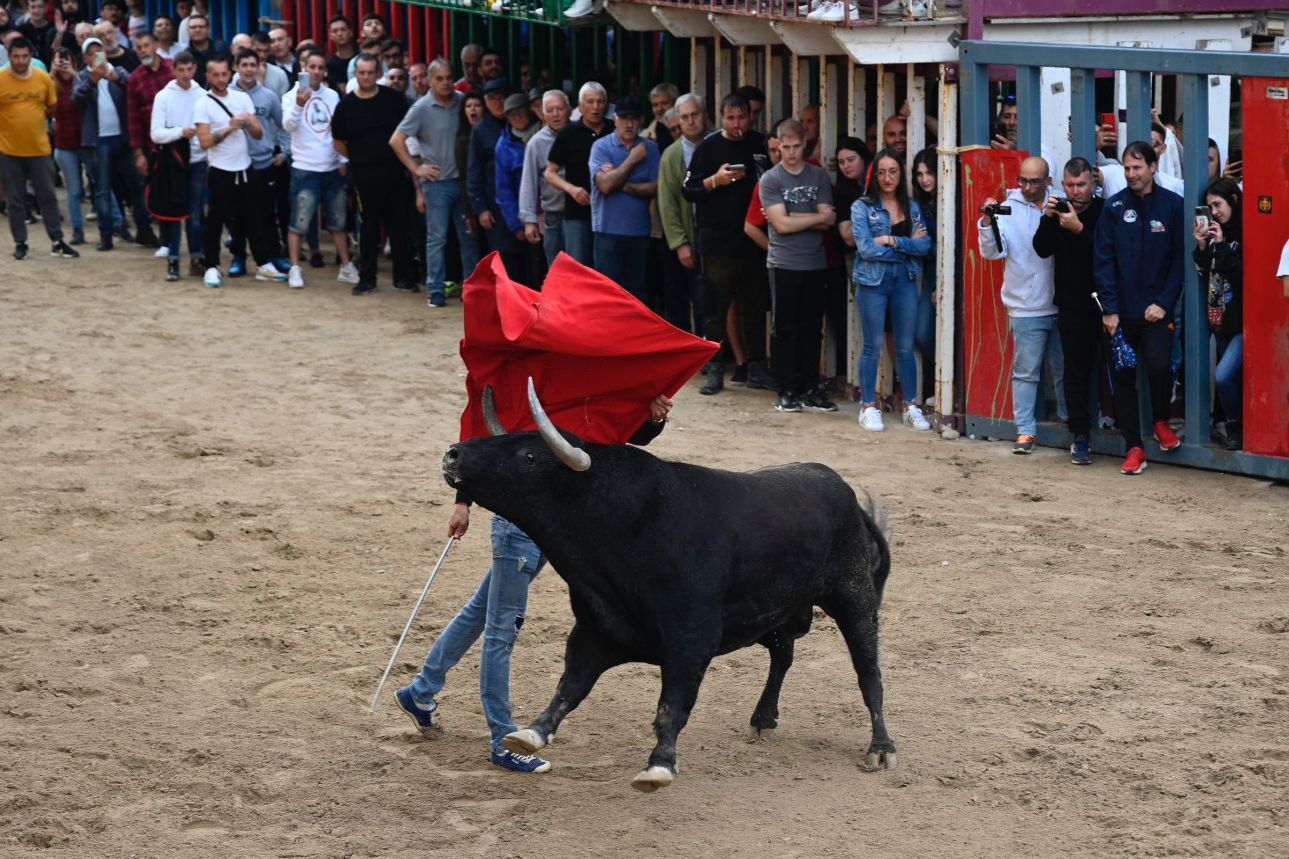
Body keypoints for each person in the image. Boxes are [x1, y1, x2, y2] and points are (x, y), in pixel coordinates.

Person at [395, 392, 675, 775]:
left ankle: (420, 692)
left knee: (483, 611)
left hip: (561, 522)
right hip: (520, 524)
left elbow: (623, 434)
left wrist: (654, 417)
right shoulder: (539, 375)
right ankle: (501, 738)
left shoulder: (595, 376)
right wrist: (463, 500)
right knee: (501, 629)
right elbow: (497, 443)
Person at [1093, 140, 1186, 475]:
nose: (1131, 174)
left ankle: (1161, 420)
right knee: (1122, 380)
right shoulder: (1114, 207)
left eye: (1137, 167)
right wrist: (1110, 309)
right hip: (1121, 313)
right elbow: (1103, 261)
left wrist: (1164, 302)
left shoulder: (1174, 205)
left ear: (1153, 167)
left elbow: (1179, 260)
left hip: (1157, 311)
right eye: (1127, 168)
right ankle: (1134, 447)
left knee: (1161, 365)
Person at [682, 92, 773, 396]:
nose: (737, 124)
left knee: (755, 306)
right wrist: (714, 181)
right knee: (715, 309)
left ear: (751, 117)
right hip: (718, 242)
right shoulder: (708, 147)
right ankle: (715, 367)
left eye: (742, 117)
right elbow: (689, 189)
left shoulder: (760, 143)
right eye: (730, 118)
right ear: (721, 118)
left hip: (754, 239)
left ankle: (757, 367)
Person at [979, 156, 1062, 454]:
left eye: (1034, 181)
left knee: (1065, 370)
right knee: (1027, 373)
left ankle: (1069, 427)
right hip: (1026, 304)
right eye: (1022, 180)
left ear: (1048, 181)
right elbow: (991, 253)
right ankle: (1025, 430)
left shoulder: (1060, 202)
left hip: (1060, 300)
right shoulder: (1008, 207)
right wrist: (988, 221)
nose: (1027, 187)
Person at [757, 119, 836, 414]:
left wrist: (797, 219)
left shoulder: (818, 175)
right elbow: (782, 224)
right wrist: (814, 218)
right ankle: (785, 389)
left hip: (814, 262)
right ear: (777, 145)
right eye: (784, 147)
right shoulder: (770, 179)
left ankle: (810, 387)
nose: (790, 153)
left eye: (795, 146)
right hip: (783, 262)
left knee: (812, 328)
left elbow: (828, 219)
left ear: (804, 144)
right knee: (783, 328)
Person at [851, 149, 932, 432]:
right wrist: (905, 246)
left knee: (905, 346)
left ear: (901, 174)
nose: (888, 178)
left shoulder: (910, 206)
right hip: (873, 280)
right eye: (882, 172)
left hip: (905, 280)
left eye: (894, 171)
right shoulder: (862, 206)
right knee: (872, 345)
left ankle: (911, 405)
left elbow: (925, 246)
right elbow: (866, 249)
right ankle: (868, 406)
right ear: (875, 174)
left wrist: (890, 240)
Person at [1032, 157, 1105, 465]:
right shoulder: (1058, 213)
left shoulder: (1105, 211)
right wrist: (1049, 218)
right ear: (1062, 185)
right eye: (1071, 185)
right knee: (1074, 373)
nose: (1076, 191)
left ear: (1093, 184)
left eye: (1082, 185)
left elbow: (1104, 254)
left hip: (1107, 304)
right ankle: (1080, 436)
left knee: (1115, 371)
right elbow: (1041, 248)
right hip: (1072, 305)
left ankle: (1124, 431)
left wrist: (1077, 229)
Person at [193, 55, 286, 287]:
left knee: (255, 217)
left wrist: (248, 123)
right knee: (216, 220)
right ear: (208, 76)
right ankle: (212, 266)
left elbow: (258, 134)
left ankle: (263, 264)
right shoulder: (202, 103)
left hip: (245, 167)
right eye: (216, 74)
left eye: (224, 74)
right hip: (220, 170)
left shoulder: (242, 97)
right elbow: (204, 142)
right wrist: (228, 128)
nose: (221, 79)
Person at [391, 57, 475, 307]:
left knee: (468, 238)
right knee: (437, 238)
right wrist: (417, 168)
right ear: (429, 81)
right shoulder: (421, 107)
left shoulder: (461, 102)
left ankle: (472, 288)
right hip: (437, 183)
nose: (446, 82)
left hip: (463, 182)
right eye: (440, 78)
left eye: (449, 77)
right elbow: (396, 140)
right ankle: (435, 289)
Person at [332, 52, 417, 295]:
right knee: (368, 229)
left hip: (395, 175)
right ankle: (367, 279)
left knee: (399, 226)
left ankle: (404, 277)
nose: (367, 77)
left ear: (378, 73)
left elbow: (407, 132)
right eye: (362, 73)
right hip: (364, 177)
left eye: (371, 72)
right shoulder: (345, 105)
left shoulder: (394, 99)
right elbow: (338, 142)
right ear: (355, 74)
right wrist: (359, 158)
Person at [281, 49, 357, 289]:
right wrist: (298, 105)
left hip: (332, 167)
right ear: (303, 67)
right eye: (311, 67)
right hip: (304, 167)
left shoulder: (332, 95)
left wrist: (343, 160)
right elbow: (288, 126)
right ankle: (295, 268)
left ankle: (346, 266)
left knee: (338, 221)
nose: (316, 72)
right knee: (299, 222)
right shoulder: (290, 95)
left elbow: (339, 129)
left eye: (320, 67)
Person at [74, 36, 157, 250]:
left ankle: (144, 230)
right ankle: (106, 235)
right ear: (85, 57)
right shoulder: (83, 76)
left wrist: (115, 79)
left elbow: (134, 87)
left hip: (123, 139)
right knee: (102, 190)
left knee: (137, 185)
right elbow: (76, 98)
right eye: (91, 53)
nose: (96, 56)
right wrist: (92, 80)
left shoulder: (117, 71)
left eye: (99, 51)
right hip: (98, 141)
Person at [0, 37, 77, 259]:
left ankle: (57, 240)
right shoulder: (1, 79)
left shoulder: (43, 79)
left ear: (31, 55)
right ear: (9, 56)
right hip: (8, 150)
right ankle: (21, 242)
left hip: (40, 149)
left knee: (48, 197)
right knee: (15, 200)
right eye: (16, 56)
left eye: (25, 56)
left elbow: (51, 106)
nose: (21, 61)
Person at [225, 49, 289, 280]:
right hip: (236, 164)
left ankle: (275, 255)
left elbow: (282, 125)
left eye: (253, 64)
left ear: (258, 67)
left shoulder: (269, 96)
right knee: (237, 215)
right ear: (236, 67)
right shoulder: (227, 95)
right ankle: (238, 257)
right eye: (244, 65)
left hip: (264, 163)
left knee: (266, 213)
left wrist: (284, 152)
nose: (249, 69)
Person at [590, 95, 659, 303]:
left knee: (637, 293)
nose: (630, 124)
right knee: (609, 293)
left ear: (641, 120)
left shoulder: (651, 148)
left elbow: (656, 188)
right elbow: (605, 185)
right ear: (615, 119)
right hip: (607, 231)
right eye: (624, 118)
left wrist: (620, 180)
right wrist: (632, 160)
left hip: (639, 231)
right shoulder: (601, 147)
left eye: (635, 119)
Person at [1192, 177, 1243, 450]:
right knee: (1230, 376)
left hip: (1240, 322)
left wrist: (1221, 245)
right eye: (1209, 207)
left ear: (1234, 201)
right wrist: (1202, 246)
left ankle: (1236, 425)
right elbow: (1204, 273)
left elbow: (1238, 275)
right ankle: (1231, 426)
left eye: (1218, 205)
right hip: (1218, 320)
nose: (1214, 213)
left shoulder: (1243, 233)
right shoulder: (1215, 233)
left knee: (1223, 375)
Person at [149, 49, 207, 280]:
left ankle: (196, 258)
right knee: (174, 213)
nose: (185, 74)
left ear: (195, 69)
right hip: (173, 162)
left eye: (189, 69)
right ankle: (173, 260)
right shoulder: (163, 96)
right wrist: (180, 132)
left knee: (195, 212)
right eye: (180, 70)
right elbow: (155, 133)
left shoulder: (202, 95)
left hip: (198, 160)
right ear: (174, 70)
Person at [544, 81, 612, 265]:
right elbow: (550, 173)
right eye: (590, 102)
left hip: (610, 213)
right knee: (578, 268)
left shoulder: (614, 130)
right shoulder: (568, 133)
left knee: (605, 270)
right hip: (577, 213)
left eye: (600, 101)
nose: (596, 107)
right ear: (580, 106)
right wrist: (572, 189)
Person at [657, 91, 707, 335]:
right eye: (684, 117)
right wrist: (680, 243)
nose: (690, 121)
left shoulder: (719, 142)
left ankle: (720, 353)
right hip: (691, 236)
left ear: (704, 115)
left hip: (719, 236)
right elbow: (667, 203)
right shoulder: (671, 155)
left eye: (694, 115)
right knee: (695, 298)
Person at [468, 78, 521, 279]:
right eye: (492, 98)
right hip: (495, 206)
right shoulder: (481, 130)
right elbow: (474, 172)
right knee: (504, 260)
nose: (498, 103)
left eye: (502, 98)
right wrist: (480, 208)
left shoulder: (520, 122)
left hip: (523, 202)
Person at [494, 91, 543, 287]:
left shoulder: (541, 133)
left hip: (546, 210)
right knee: (523, 270)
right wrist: (517, 223)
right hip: (521, 215)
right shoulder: (503, 145)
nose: (518, 118)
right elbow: (503, 190)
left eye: (521, 112)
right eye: (512, 114)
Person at [518, 88, 570, 268]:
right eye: (550, 110)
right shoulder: (536, 143)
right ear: (543, 114)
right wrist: (529, 220)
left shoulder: (579, 133)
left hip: (581, 213)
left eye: (560, 109)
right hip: (553, 213)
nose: (555, 114)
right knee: (556, 267)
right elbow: (528, 183)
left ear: (569, 110)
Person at [125, 31, 172, 198]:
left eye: (146, 45)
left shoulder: (174, 68)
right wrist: (138, 154)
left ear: (157, 45)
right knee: (158, 193)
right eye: (139, 48)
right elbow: (133, 119)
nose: (143, 50)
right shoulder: (135, 79)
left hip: (179, 141)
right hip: (152, 145)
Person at [50, 46, 87, 246]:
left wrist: (74, 74)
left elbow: (89, 90)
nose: (62, 64)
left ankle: (117, 224)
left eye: (65, 60)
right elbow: (41, 99)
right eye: (58, 60)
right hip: (64, 144)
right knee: (73, 190)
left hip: (86, 142)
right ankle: (78, 230)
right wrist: (52, 74)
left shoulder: (80, 79)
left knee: (101, 185)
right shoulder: (50, 83)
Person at [910, 146, 937, 406]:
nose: (924, 179)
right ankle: (941, 382)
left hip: (949, 272)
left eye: (929, 172)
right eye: (919, 174)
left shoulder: (951, 199)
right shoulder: (919, 205)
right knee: (922, 333)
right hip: (928, 272)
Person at [183, 14, 217, 86]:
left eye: (201, 27)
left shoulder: (222, 50)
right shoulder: (184, 56)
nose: (197, 30)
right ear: (188, 31)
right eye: (193, 27)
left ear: (209, 30)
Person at [643, 81, 677, 151]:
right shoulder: (645, 137)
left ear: (675, 103)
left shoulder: (687, 130)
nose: (659, 109)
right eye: (655, 105)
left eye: (664, 103)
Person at [323, 15, 354, 90]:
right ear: (330, 36)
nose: (339, 34)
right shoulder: (329, 64)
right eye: (335, 31)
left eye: (343, 29)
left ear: (350, 32)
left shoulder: (361, 56)